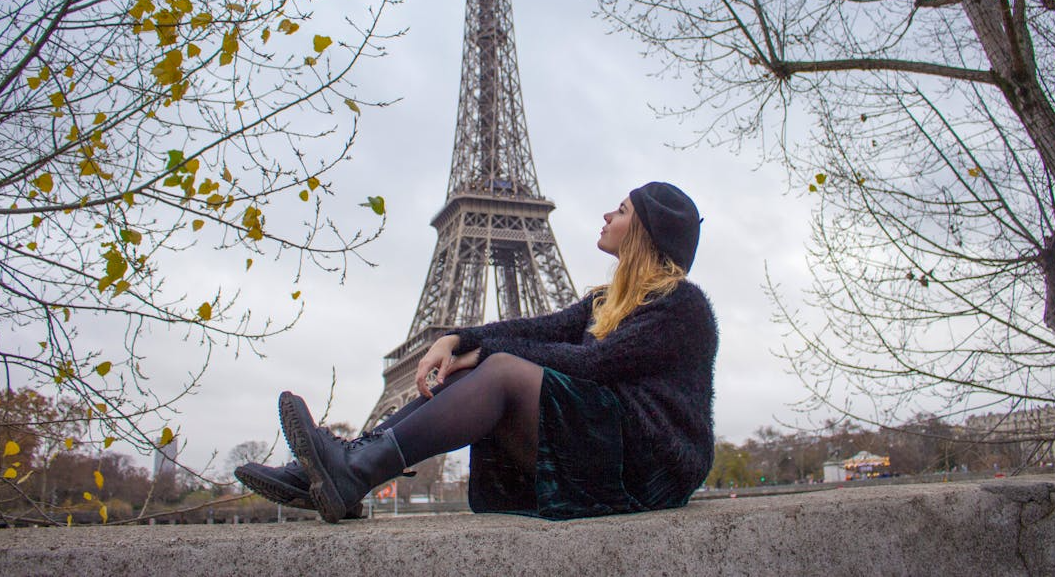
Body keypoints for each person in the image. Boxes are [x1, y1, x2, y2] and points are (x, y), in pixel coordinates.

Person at [236, 181, 718, 522]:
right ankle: (346, 469)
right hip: (603, 446)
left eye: (622, 211)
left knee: (502, 369)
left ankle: (353, 469)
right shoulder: (605, 301)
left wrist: (486, 353)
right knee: (476, 370)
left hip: (650, 468)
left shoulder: (682, 306)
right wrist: (459, 339)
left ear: (645, 233)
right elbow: (536, 328)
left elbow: (594, 365)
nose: (608, 215)